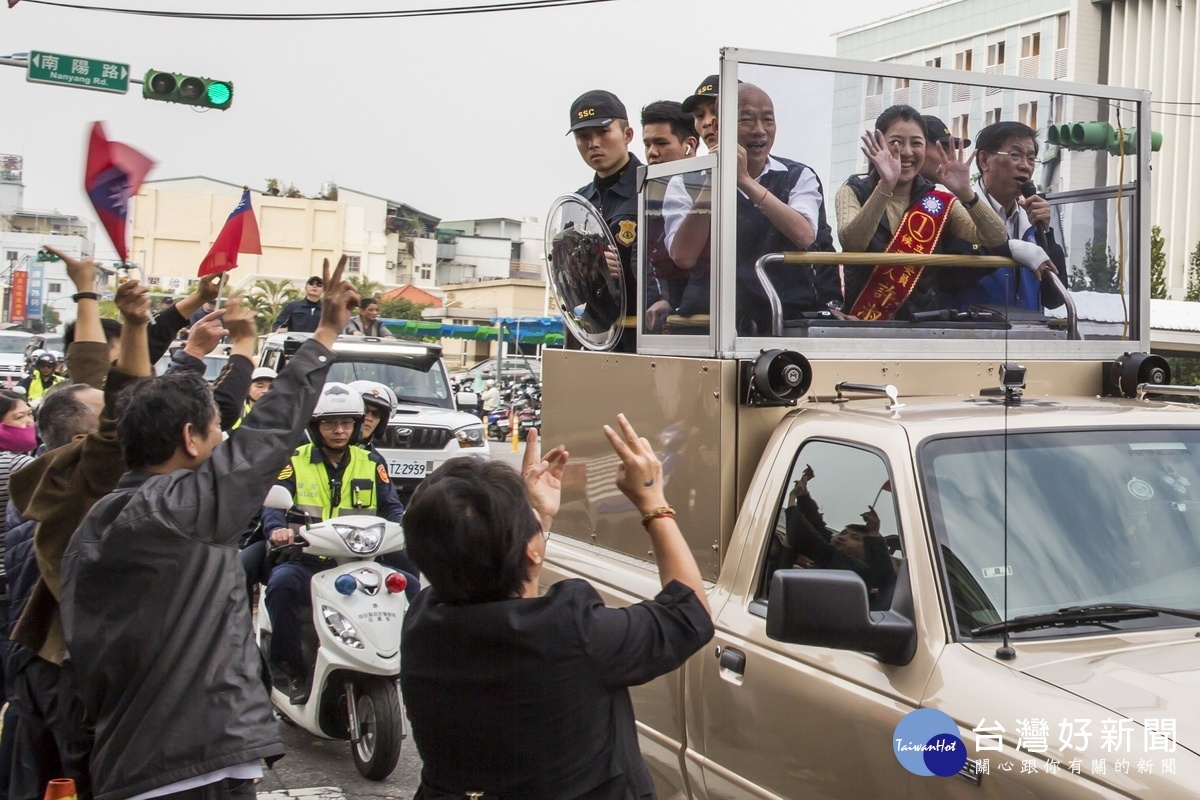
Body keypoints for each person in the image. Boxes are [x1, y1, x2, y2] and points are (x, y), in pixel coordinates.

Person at [60, 257, 358, 800]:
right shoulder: (184, 509)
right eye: (219, 429)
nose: (226, 440)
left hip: (124, 766)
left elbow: (82, 669)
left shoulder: (96, 524)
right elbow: (269, 430)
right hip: (193, 768)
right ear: (190, 439)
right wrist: (326, 332)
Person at [400, 418, 714, 800]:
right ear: (530, 550)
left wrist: (533, 518)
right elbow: (689, 612)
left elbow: (506, 596)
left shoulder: (422, 624)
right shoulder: (572, 632)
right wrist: (653, 501)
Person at [261, 381, 407, 704]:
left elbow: (392, 508)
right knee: (282, 587)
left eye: (346, 423)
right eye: (330, 423)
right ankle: (290, 669)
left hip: (360, 562)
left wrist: (407, 526)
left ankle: (403, 663)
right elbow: (273, 506)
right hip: (307, 561)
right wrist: (278, 531)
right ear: (315, 426)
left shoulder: (372, 463)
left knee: (409, 587)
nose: (339, 430)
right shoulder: (294, 460)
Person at [667, 78, 838, 334]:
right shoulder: (684, 180)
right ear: (717, 126)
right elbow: (683, 256)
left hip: (785, 316)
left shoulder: (798, 175)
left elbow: (805, 235)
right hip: (709, 321)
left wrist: (745, 181)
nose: (759, 130)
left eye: (768, 120)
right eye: (746, 120)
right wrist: (712, 182)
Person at [835, 105, 1008, 320]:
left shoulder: (938, 201)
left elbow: (996, 238)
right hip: (863, 323)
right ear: (879, 146)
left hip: (922, 325)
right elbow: (853, 243)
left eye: (916, 143)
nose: (907, 152)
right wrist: (885, 186)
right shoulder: (853, 191)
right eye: (896, 142)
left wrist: (966, 193)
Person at [941, 121, 1069, 312]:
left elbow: (1054, 299)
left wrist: (1046, 233)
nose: (1025, 166)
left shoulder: (1031, 218)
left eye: (1031, 159)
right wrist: (1006, 248)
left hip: (1028, 333)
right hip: (972, 334)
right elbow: (948, 279)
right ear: (984, 160)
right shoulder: (956, 210)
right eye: (1015, 155)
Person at [569, 89, 655, 352]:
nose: (593, 143)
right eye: (583, 136)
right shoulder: (578, 204)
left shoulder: (654, 188)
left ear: (628, 135)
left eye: (603, 133)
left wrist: (624, 268)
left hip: (644, 336)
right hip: (592, 335)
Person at [640, 100, 709, 332]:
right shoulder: (645, 193)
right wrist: (657, 298)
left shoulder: (710, 184)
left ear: (689, 145)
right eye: (647, 144)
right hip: (666, 318)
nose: (652, 152)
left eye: (661, 143)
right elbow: (643, 257)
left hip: (707, 314)